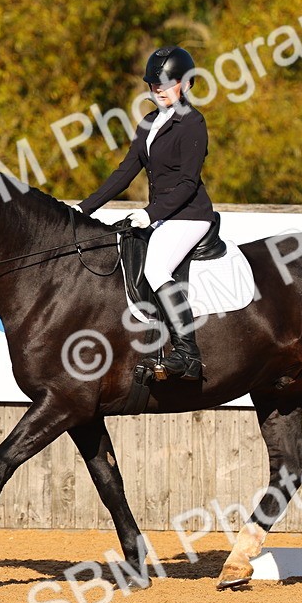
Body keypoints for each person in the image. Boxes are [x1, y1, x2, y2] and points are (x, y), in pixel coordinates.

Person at [75, 46, 215, 380]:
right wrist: (83, 208)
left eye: (167, 83)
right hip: (163, 216)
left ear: (185, 84)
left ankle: (188, 355)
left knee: (154, 267)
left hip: (189, 215)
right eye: (155, 83)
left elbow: (187, 183)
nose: (159, 89)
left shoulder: (193, 123)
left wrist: (150, 213)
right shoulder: (149, 123)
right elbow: (124, 174)